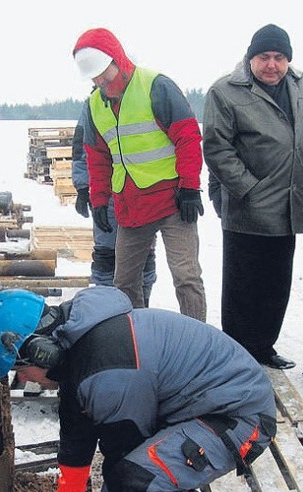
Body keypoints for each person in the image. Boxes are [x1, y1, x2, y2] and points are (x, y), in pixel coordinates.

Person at [0, 286, 277, 492]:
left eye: (18, 367)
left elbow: (125, 460)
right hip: (196, 408)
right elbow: (77, 414)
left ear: (40, 351)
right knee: (132, 489)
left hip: (238, 418)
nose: (23, 378)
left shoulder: (108, 370)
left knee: (137, 482)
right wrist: (71, 485)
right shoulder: (82, 343)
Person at [203, 23, 303, 369]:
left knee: (277, 285)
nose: (271, 65)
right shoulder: (226, 91)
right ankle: (237, 354)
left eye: (279, 57)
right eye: (264, 57)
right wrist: (248, 188)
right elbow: (217, 149)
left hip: (290, 207)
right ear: (250, 58)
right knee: (242, 288)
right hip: (247, 210)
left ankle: (264, 347)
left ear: (288, 59)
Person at [72, 28, 207, 322]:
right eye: (93, 78)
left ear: (117, 61)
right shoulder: (94, 106)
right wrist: (98, 200)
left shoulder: (155, 86)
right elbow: (97, 158)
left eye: (104, 75)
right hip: (131, 205)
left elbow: (187, 136)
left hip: (173, 201)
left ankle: (199, 342)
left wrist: (189, 188)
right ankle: (138, 340)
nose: (100, 82)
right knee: (124, 283)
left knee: (186, 277)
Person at [72, 109, 157, 305]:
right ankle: (107, 309)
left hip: (142, 191)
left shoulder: (141, 98)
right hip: (106, 193)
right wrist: (83, 187)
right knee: (106, 254)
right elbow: (81, 147)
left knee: (144, 252)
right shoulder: (92, 107)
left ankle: (142, 307)